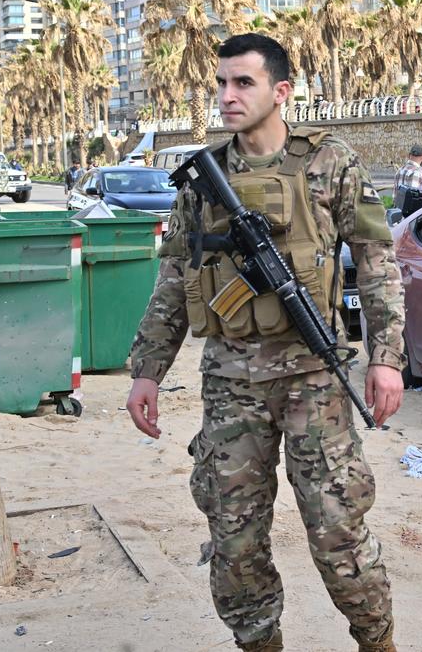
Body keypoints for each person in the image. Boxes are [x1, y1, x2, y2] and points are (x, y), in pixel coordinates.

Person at [123, 33, 405, 652]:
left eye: (243, 83)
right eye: (221, 83)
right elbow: (175, 280)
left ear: (281, 91)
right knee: (235, 543)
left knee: (338, 534)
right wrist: (146, 370)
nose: (227, 96)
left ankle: (377, 642)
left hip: (314, 380)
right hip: (230, 386)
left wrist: (386, 360)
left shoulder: (331, 164)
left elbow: (379, 265)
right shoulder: (204, 179)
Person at [395, 144, 422, 215]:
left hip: (397, 211)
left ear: (409, 155)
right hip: (409, 215)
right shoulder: (417, 172)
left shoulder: (400, 170)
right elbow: (413, 199)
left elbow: (395, 195)